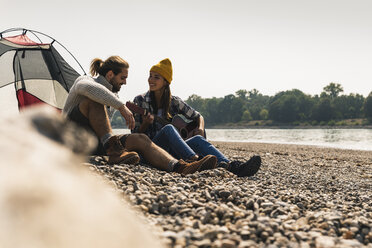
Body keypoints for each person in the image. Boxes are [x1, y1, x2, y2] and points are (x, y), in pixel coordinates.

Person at [62, 56, 217, 175]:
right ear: (110, 75)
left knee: (141, 138)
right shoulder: (85, 80)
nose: (125, 83)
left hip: (95, 143)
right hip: (71, 137)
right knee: (94, 101)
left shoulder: (111, 96)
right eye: (123, 78)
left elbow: (102, 127)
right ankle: (115, 152)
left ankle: (180, 166)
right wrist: (122, 107)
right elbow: (89, 89)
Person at [132, 58, 261, 177]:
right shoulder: (140, 101)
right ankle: (195, 160)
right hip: (152, 153)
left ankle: (233, 166)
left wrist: (200, 128)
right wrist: (145, 124)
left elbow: (198, 116)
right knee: (168, 129)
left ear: (166, 81)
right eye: (150, 76)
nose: (151, 80)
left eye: (156, 77)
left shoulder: (174, 101)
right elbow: (135, 137)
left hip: (172, 153)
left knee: (198, 138)